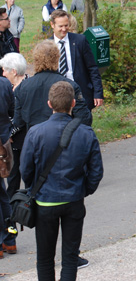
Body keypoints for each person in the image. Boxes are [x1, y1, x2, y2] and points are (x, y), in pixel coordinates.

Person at [20, 81, 103, 280]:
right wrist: (84, 190)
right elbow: (96, 171)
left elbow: (25, 169)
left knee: (45, 257)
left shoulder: (35, 133)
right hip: (73, 200)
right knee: (70, 258)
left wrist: (34, 188)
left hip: (45, 202)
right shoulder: (85, 133)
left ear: (49, 104)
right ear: (73, 103)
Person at [13, 40, 92, 131]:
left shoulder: (23, 87)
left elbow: (18, 122)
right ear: (57, 58)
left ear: (36, 60)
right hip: (63, 137)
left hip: (35, 138)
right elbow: (84, 119)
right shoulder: (69, 86)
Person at [49, 10, 104, 110]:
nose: (64, 29)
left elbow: (92, 68)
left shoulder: (80, 41)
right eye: (60, 26)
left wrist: (98, 93)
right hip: (58, 95)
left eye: (66, 25)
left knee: (82, 124)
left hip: (80, 93)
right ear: (52, 25)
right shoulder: (48, 45)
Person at [0, 52, 28, 198]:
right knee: (12, 179)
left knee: (22, 175)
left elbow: (21, 117)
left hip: (21, 140)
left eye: (4, 70)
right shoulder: (9, 86)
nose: (3, 73)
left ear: (14, 72)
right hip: (13, 141)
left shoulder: (24, 88)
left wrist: (9, 134)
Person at [0, 73, 15, 257]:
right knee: (4, 194)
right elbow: (13, 111)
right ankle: (10, 239)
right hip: (4, 144)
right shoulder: (4, 83)